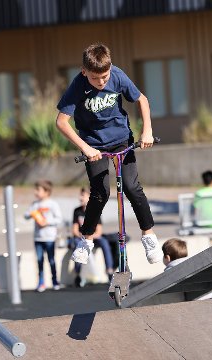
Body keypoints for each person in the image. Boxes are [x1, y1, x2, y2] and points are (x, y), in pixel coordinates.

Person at [56, 43, 162, 266]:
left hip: (122, 140)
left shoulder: (118, 76)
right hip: (94, 146)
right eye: (96, 79)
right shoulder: (77, 86)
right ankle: (85, 240)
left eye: (104, 77)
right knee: (100, 193)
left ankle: (149, 235)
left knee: (133, 188)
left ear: (110, 67)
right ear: (84, 71)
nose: (102, 82)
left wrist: (147, 131)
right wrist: (85, 148)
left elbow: (142, 99)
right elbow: (61, 122)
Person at [69, 187, 114, 287]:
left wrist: (89, 237)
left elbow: (99, 231)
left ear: (89, 197)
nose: (80, 198)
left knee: (104, 242)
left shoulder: (95, 210)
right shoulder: (77, 211)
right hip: (81, 237)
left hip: (93, 237)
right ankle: (78, 274)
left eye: (83, 195)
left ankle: (109, 271)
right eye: (80, 195)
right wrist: (83, 237)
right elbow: (75, 230)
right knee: (77, 245)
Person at [24, 180, 63, 292]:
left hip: (49, 237)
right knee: (39, 260)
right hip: (38, 238)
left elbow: (59, 218)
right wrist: (31, 214)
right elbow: (26, 215)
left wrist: (47, 222)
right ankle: (41, 283)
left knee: (51, 260)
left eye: (38, 190)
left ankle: (55, 281)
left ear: (46, 192)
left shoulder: (52, 204)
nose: (36, 192)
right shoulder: (34, 204)